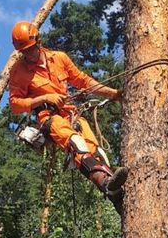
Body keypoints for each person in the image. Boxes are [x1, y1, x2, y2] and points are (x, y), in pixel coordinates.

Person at [9, 21, 127, 212]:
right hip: (49, 118)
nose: (28, 55)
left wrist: (113, 93)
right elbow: (15, 105)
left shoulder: (59, 58)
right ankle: (106, 185)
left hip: (72, 114)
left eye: (30, 49)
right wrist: (45, 97)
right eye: (24, 52)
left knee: (95, 151)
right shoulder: (19, 72)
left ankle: (114, 192)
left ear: (38, 41)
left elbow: (83, 80)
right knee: (76, 144)